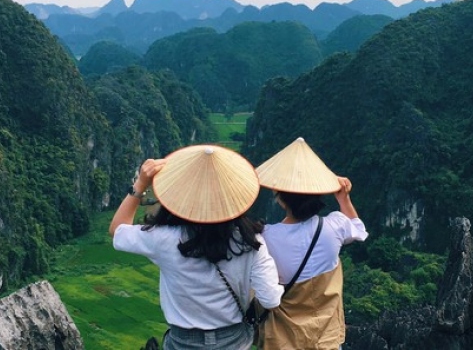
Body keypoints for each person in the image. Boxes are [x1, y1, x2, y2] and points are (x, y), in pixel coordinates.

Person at [110, 145, 284, 350]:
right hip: (234, 340)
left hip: (182, 341)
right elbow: (271, 299)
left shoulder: (163, 238)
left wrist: (140, 185)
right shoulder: (251, 241)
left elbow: (117, 230)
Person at [256, 137, 369, 350]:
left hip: (283, 340)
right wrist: (344, 199)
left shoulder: (266, 238)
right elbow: (359, 229)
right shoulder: (335, 226)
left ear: (280, 197)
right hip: (326, 339)